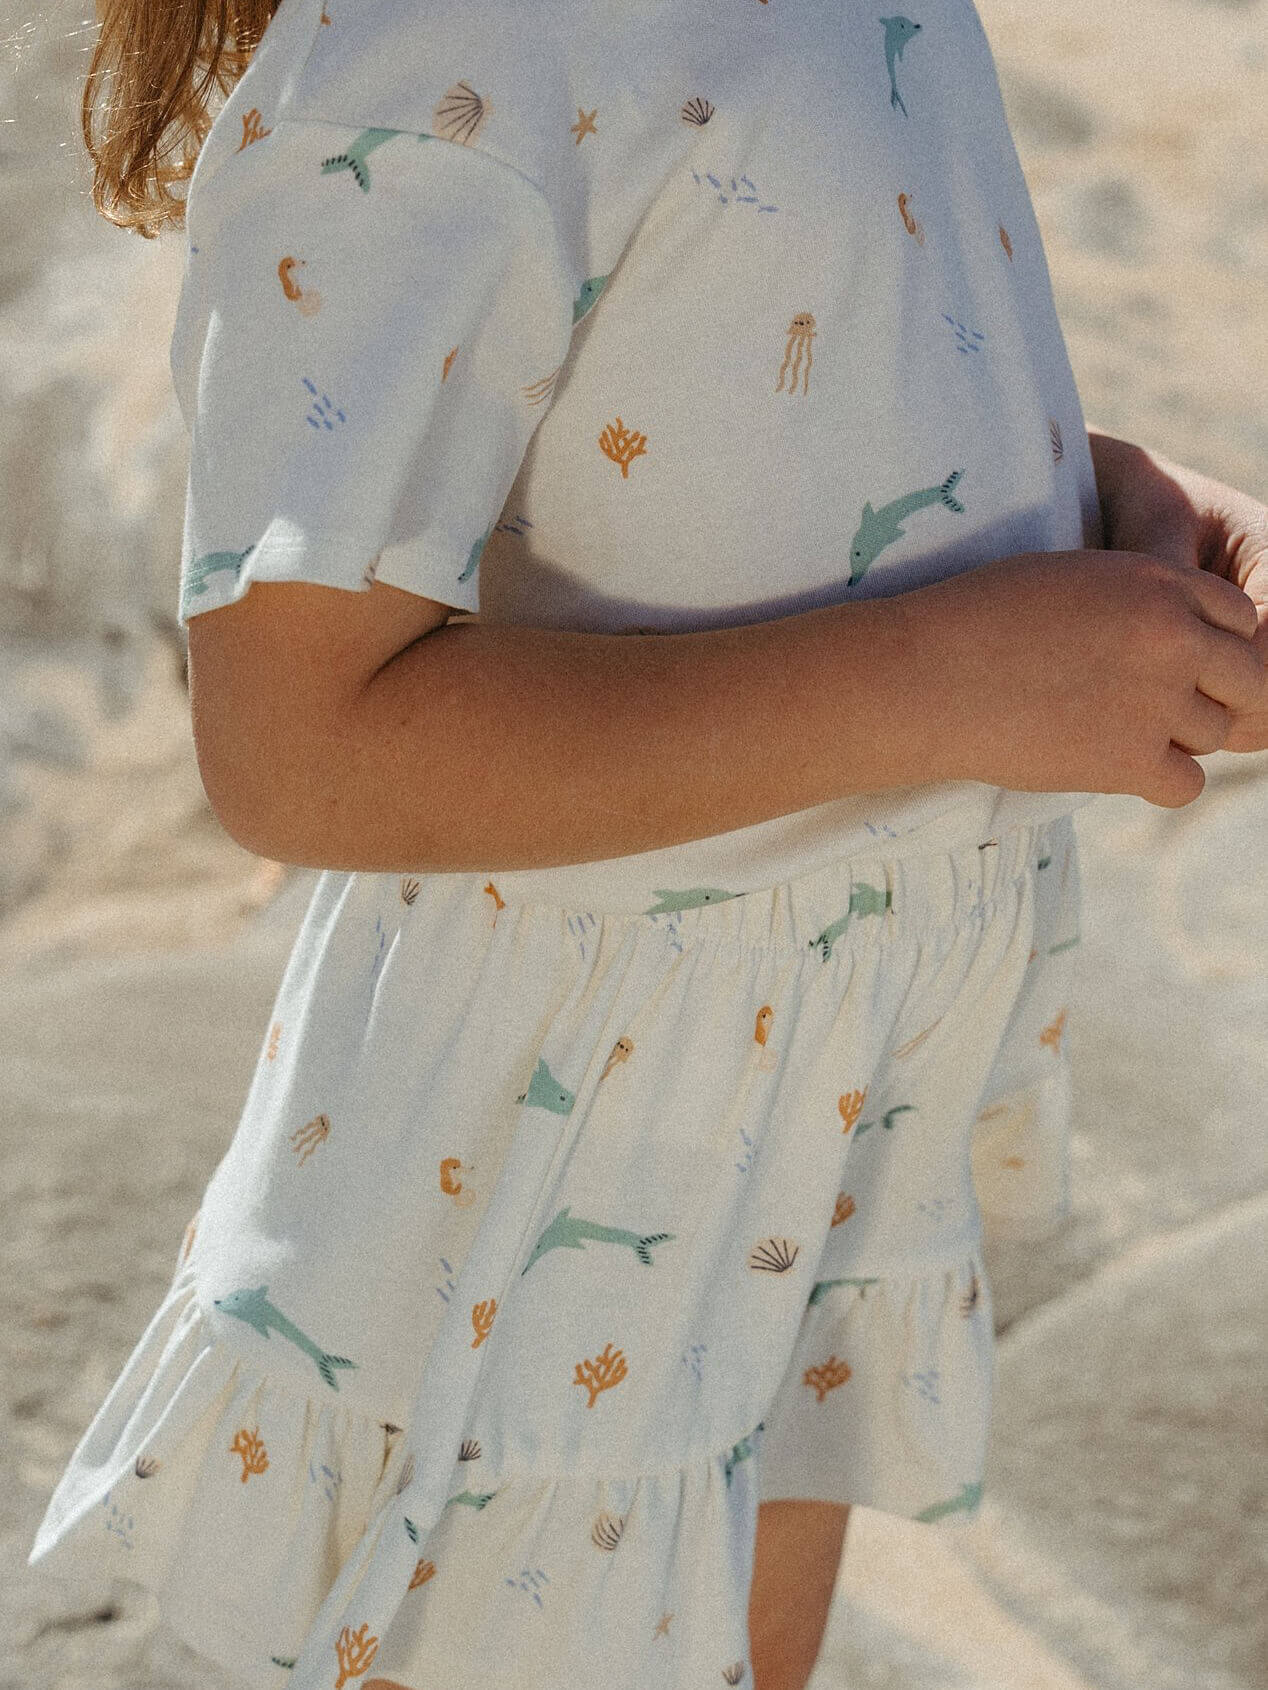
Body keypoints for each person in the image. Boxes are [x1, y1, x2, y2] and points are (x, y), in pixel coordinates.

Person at [27, 0, 1268, 1685]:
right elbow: (292, 739)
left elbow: (782, 343)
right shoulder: (433, 60)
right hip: (563, 1142)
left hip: (824, 1063)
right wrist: (950, 673)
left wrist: (1105, 518)